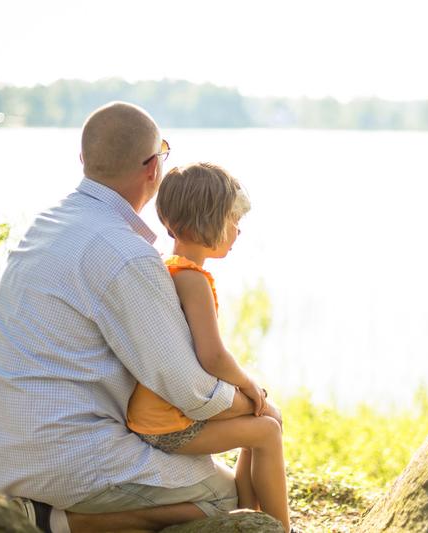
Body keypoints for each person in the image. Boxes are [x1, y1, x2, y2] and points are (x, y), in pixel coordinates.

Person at [0, 101, 275, 533]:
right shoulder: (125, 254)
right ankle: (58, 522)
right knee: (224, 497)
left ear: (84, 161)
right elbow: (189, 390)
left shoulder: (51, 222)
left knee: (204, 464)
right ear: (152, 169)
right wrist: (253, 405)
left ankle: (52, 515)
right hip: (59, 453)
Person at [126, 162, 290, 531]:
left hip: (153, 413)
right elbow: (212, 355)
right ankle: (279, 526)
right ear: (208, 220)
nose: (238, 230)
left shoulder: (168, 267)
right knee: (267, 429)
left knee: (263, 420)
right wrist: (248, 384)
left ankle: (248, 517)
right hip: (167, 423)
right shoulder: (192, 279)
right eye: (232, 220)